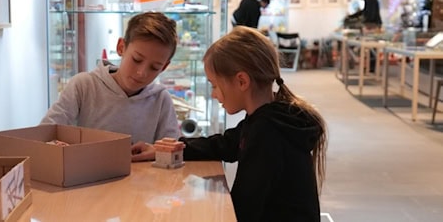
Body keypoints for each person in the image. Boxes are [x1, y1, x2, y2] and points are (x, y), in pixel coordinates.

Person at [179, 26, 328, 222]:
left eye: (214, 85)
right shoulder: (272, 114)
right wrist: (177, 148)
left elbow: (244, 209)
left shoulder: (267, 131)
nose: (214, 94)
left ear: (242, 81)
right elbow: (228, 144)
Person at [40, 12, 180, 162]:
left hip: (142, 183)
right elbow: (45, 134)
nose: (141, 73)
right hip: (88, 179)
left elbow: (174, 153)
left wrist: (160, 153)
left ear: (164, 67)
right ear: (121, 47)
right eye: (136, 59)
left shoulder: (160, 99)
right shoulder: (83, 86)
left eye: (154, 67)